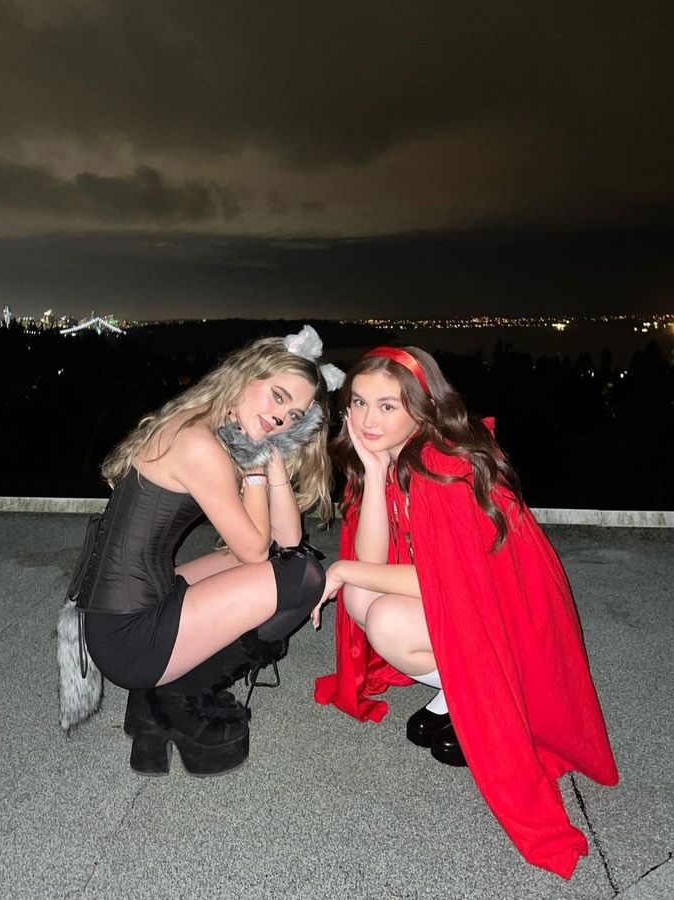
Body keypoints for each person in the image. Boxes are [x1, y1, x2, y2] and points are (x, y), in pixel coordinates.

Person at [312, 346, 618, 879]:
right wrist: (374, 470)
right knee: (365, 600)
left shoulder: (443, 465)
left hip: (511, 621)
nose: (366, 419)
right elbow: (373, 559)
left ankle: (469, 692)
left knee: (378, 614)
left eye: (387, 405)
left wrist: (339, 573)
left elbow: (447, 586)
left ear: (423, 405)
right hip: (470, 602)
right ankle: (454, 689)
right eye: (358, 403)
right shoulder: (394, 454)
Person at [58, 325, 344, 778]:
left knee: (289, 565)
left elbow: (288, 542)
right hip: (129, 635)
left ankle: (158, 698)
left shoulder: (215, 430)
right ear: (247, 376)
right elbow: (256, 551)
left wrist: (270, 457)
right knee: (303, 579)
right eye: (277, 396)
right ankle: (177, 694)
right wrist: (255, 463)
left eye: (295, 415)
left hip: (128, 608)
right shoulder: (199, 445)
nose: (282, 417)